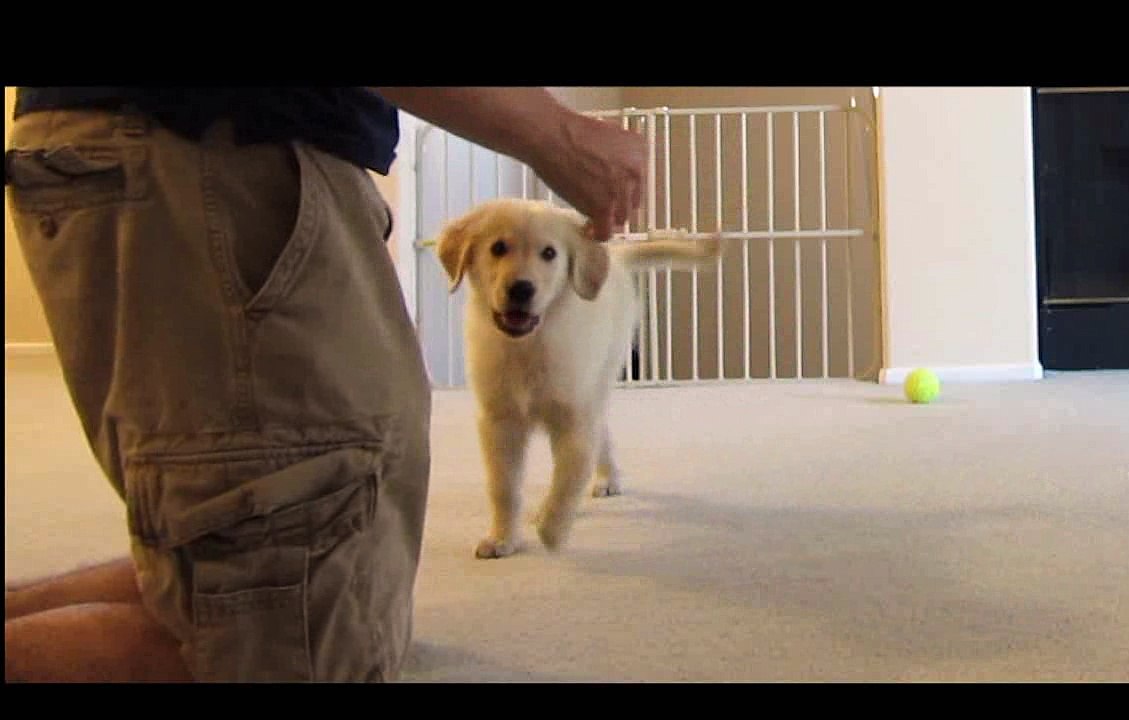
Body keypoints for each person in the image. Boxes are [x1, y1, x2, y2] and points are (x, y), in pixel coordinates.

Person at [3, 87, 647, 682]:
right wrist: (553, 134)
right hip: (207, 143)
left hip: (232, 144)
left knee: (303, 573)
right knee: (311, 644)